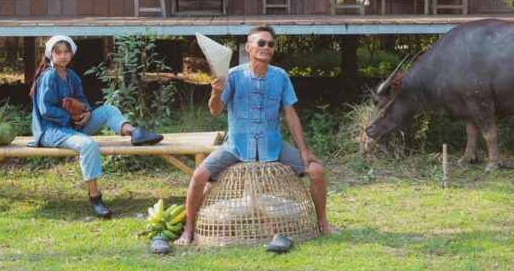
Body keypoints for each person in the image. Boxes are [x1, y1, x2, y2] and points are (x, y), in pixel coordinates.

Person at [176, 26, 339, 245]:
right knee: (198, 176)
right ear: (248, 47)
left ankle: (322, 223)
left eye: (270, 44)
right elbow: (215, 110)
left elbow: (291, 115)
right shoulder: (233, 75)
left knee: (317, 171)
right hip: (236, 146)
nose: (266, 47)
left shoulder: (280, 76)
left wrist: (303, 151)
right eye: (261, 43)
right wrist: (215, 92)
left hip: (272, 145)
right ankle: (188, 229)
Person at [29, 35, 163, 219]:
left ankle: (135, 133)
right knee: (88, 145)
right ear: (50, 54)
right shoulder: (49, 76)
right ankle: (95, 198)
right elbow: (46, 110)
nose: (62, 56)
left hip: (72, 126)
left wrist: (87, 113)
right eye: (57, 52)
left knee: (108, 110)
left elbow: (83, 100)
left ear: (71, 53)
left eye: (66, 51)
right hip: (51, 131)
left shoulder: (72, 76)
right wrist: (71, 116)